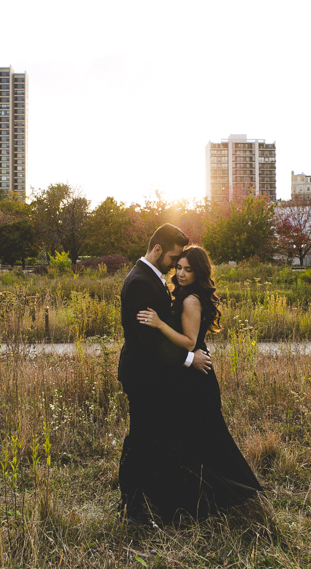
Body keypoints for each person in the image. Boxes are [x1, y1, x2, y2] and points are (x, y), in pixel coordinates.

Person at [137, 246, 262, 519]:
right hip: (190, 374)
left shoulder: (191, 300)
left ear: (199, 272)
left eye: (187, 269)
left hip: (193, 377)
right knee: (196, 438)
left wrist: (159, 324)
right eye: (178, 267)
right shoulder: (185, 294)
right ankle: (193, 500)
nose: (180, 274)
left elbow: (189, 342)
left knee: (202, 439)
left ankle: (230, 495)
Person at [117, 224, 212, 525]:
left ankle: (147, 496)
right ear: (157, 250)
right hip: (143, 375)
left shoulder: (151, 278)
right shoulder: (141, 283)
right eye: (173, 258)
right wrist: (189, 358)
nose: (175, 266)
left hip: (151, 375)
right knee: (141, 439)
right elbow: (150, 342)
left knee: (148, 437)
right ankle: (132, 507)